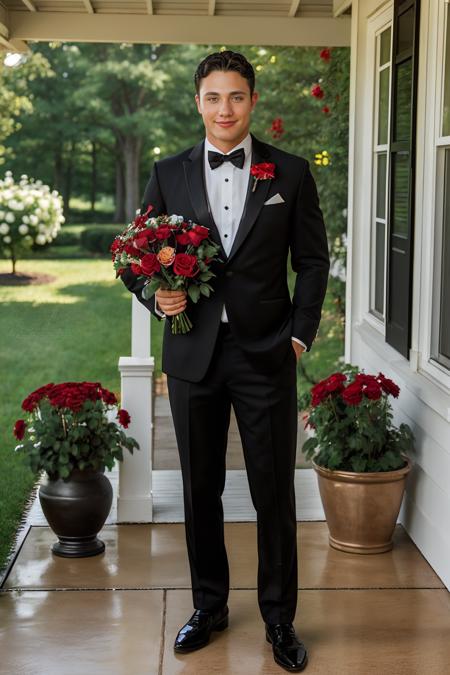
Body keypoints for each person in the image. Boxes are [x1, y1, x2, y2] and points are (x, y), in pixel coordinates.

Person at [121, 50, 330, 672]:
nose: (224, 109)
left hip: (267, 353)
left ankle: (279, 619)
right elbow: (134, 257)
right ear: (198, 103)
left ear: (253, 101)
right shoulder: (169, 171)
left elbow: (312, 261)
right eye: (213, 97)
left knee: (273, 493)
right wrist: (155, 296)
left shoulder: (288, 174)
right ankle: (208, 606)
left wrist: (300, 336)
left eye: (235, 96)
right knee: (200, 489)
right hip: (193, 356)